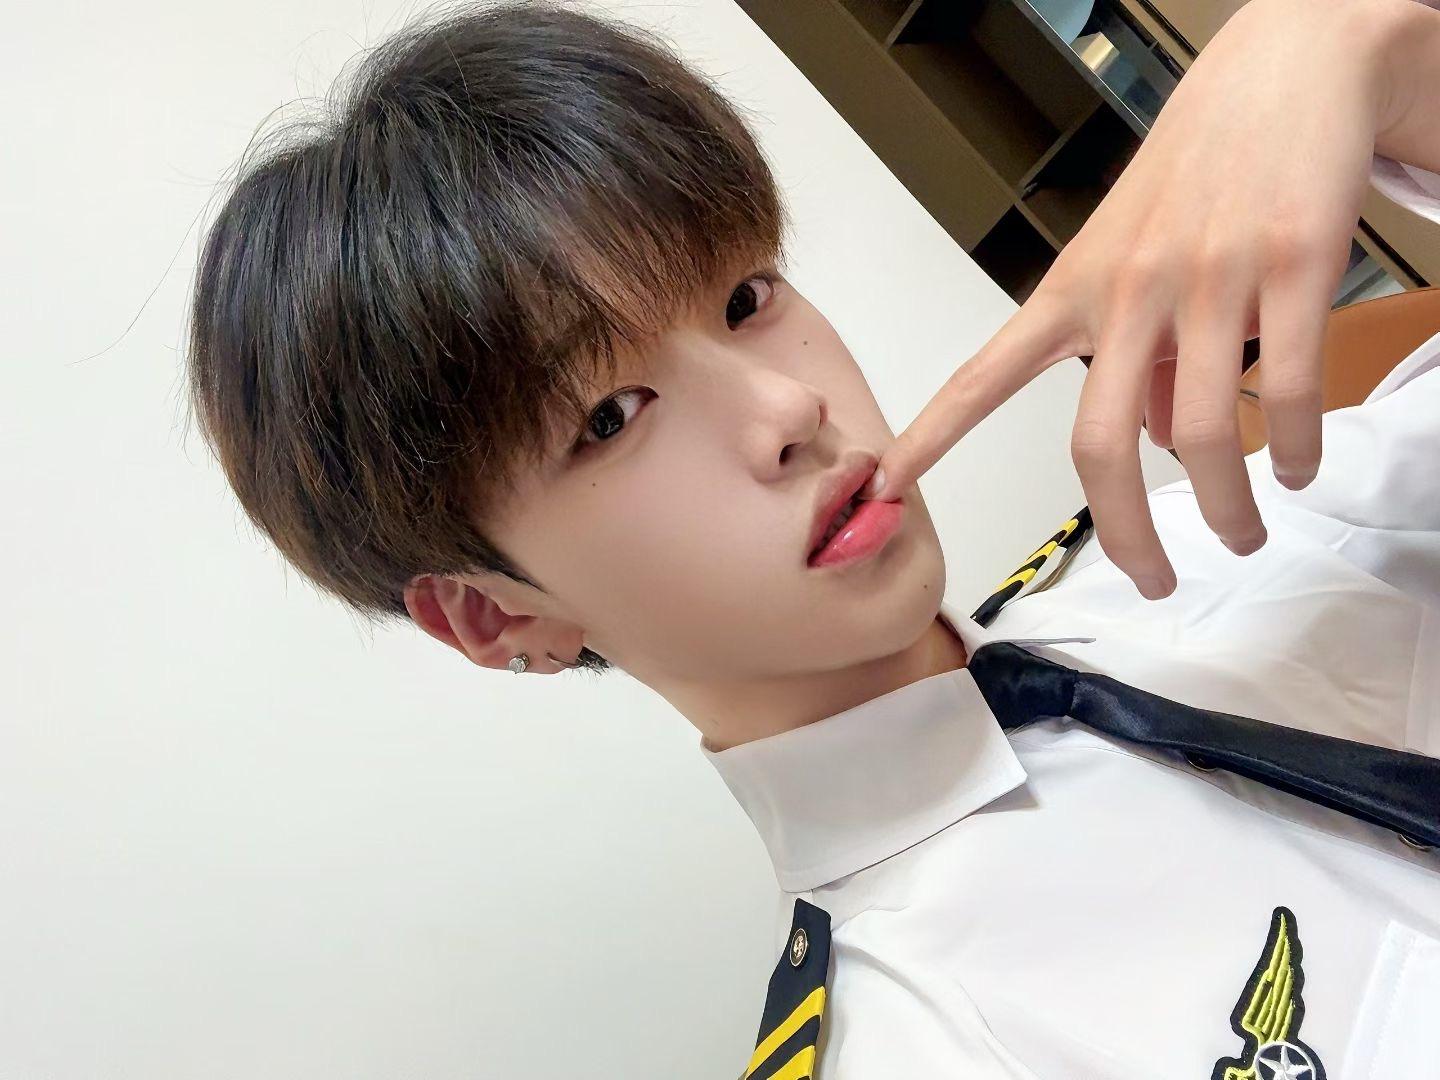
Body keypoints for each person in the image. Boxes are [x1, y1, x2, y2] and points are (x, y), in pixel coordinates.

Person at [181, 0, 1440, 1075]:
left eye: (747, 297)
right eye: (609, 417)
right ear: (496, 611)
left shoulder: (1214, 537)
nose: (787, 411)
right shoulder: (917, 1041)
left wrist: (1370, 51)